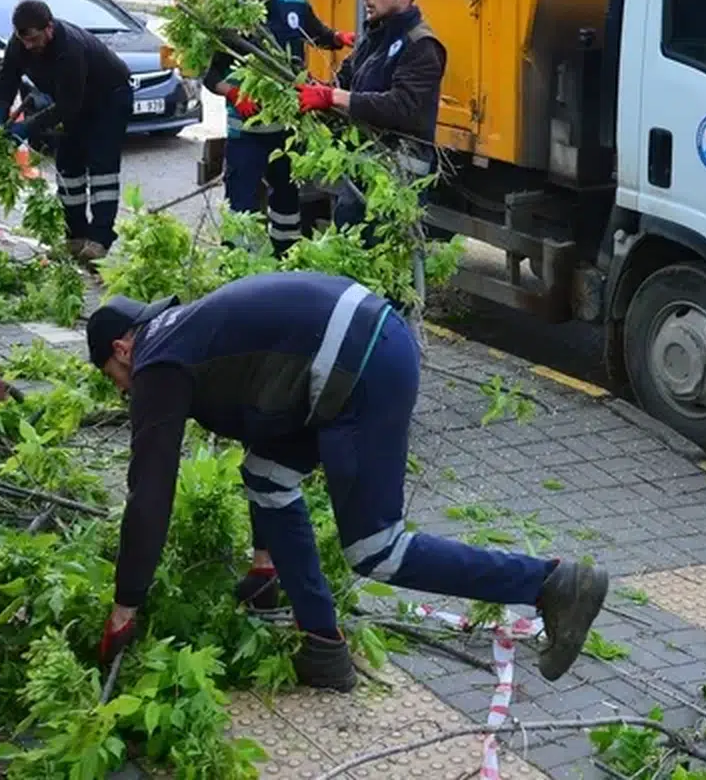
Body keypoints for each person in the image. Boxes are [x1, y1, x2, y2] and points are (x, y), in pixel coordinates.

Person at [88, 272, 608, 691]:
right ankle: (322, 645)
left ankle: (548, 583)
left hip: (358, 366)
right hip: (364, 344)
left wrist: (124, 604)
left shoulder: (158, 360)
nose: (123, 393)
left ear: (123, 348)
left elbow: (150, 494)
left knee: (377, 549)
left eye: (114, 379)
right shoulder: (185, 334)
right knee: (266, 476)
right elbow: (263, 416)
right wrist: (265, 563)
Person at [203, 0, 354, 253]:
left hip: (286, 130)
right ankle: (235, 266)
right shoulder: (228, 15)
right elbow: (208, 74)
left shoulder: (294, 5)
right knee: (240, 206)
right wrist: (231, 92)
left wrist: (338, 38)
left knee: (286, 200)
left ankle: (286, 258)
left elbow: (316, 33)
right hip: (245, 132)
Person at [297, 0, 447, 227]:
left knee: (379, 257)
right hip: (364, 171)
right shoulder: (376, 37)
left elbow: (402, 107)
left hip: (397, 181)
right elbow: (346, 80)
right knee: (347, 242)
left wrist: (335, 97)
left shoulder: (421, 45)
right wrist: (316, 91)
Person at [0, 0, 133, 262]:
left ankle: (100, 240)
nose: (29, 46)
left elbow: (69, 105)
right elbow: (8, 78)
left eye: (33, 40)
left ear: (49, 28)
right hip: (73, 102)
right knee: (68, 167)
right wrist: (2, 115)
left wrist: (27, 127)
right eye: (23, 41)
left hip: (109, 98)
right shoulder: (20, 43)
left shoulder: (69, 48)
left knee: (101, 167)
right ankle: (75, 237)